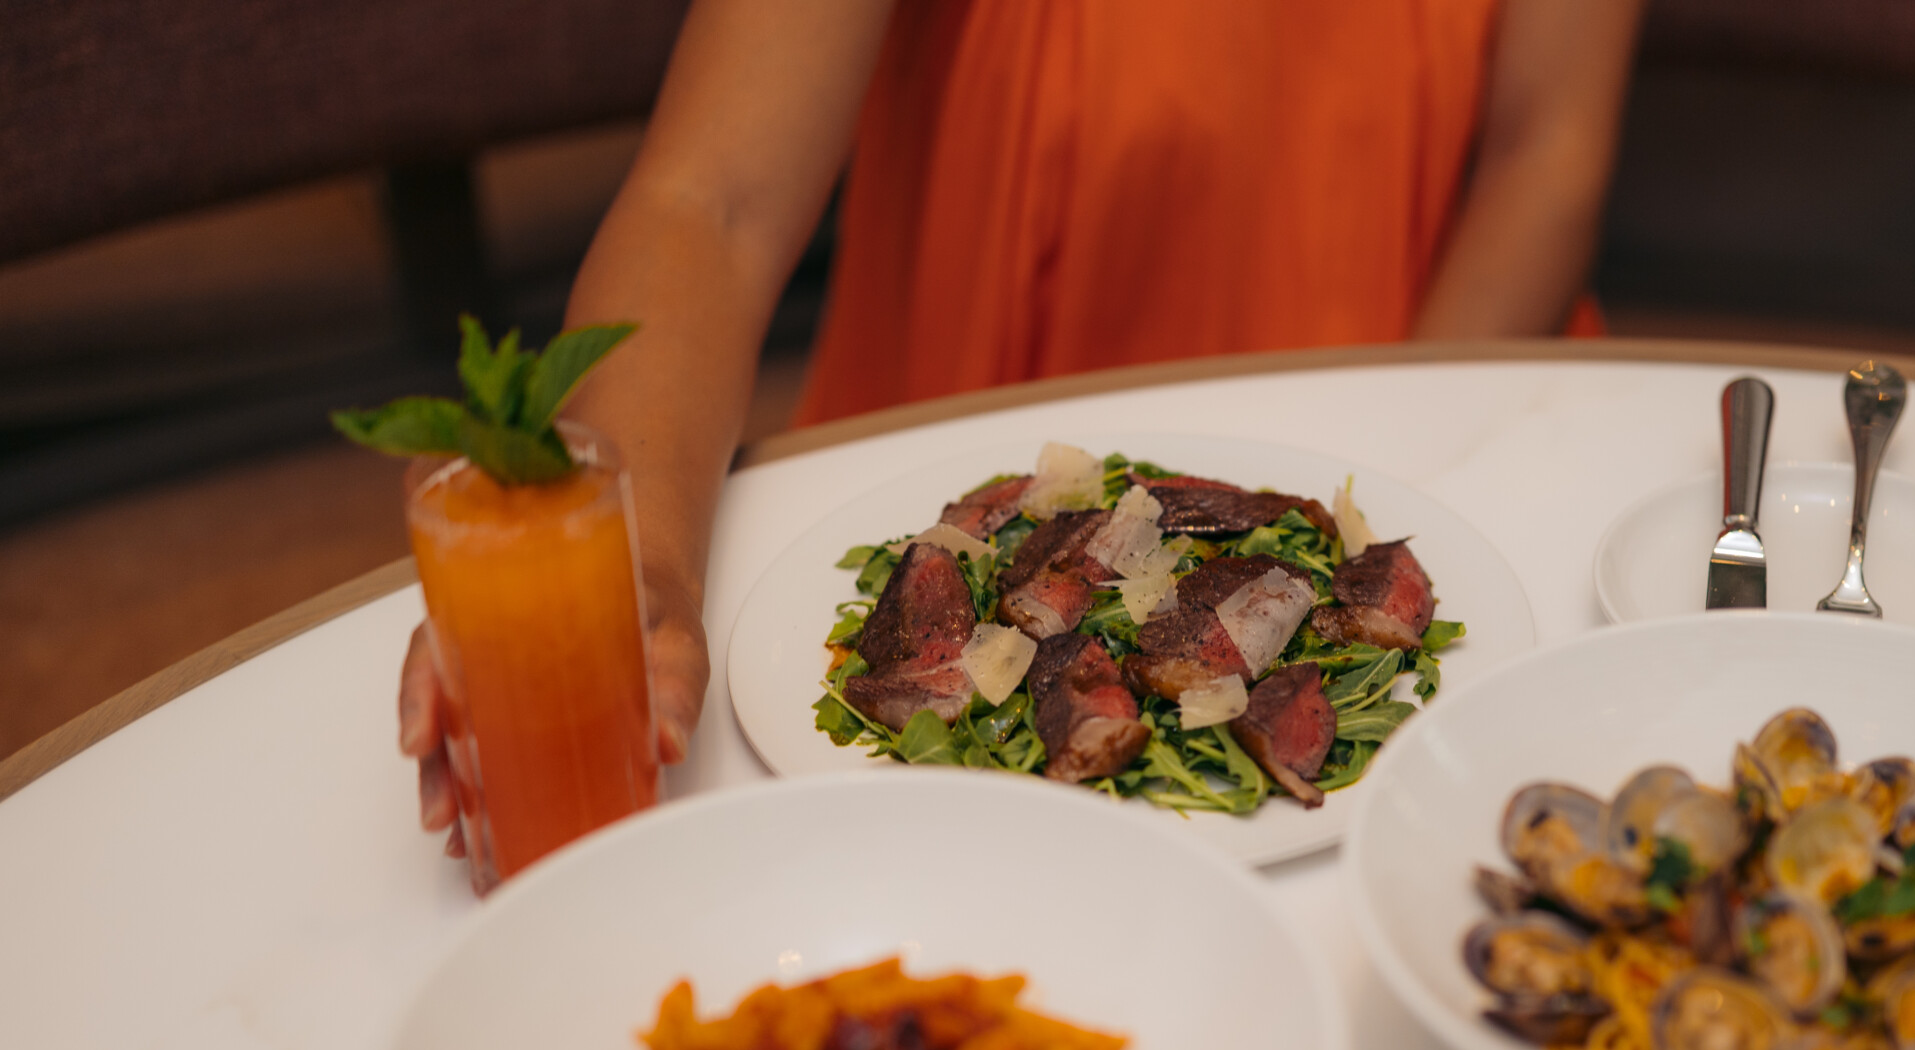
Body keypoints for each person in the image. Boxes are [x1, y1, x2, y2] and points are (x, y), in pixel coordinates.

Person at [399, 0, 1646, 855]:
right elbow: (710, 199)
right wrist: (644, 561)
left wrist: (1369, 526)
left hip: (1414, 393)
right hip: (960, 420)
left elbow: (1546, 155)